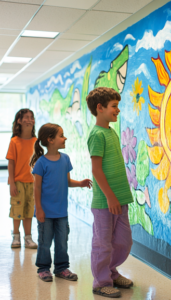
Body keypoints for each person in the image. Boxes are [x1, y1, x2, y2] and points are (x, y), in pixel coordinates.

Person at [86, 87, 134, 298]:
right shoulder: (96, 134)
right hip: (105, 201)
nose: (118, 110)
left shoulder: (111, 132)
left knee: (123, 241)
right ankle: (101, 281)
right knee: (103, 243)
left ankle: (111, 272)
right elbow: (96, 170)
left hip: (120, 199)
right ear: (100, 108)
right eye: (114, 106)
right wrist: (110, 196)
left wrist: (118, 197)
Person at [30, 123, 92, 282]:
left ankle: (61, 268)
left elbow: (67, 181)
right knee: (45, 242)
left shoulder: (65, 159)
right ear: (50, 140)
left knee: (62, 241)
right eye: (61, 135)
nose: (65, 138)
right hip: (46, 212)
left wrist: (80, 183)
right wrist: (39, 210)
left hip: (62, 212)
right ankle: (43, 269)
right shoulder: (41, 163)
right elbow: (36, 188)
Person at [6, 108, 38, 249]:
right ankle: (16, 236)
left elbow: (38, 163)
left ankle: (28, 237)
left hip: (32, 182)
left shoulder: (36, 141)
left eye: (31, 117)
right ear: (19, 121)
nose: (29, 119)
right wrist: (12, 182)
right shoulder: (14, 141)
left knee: (29, 211)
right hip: (18, 182)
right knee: (17, 210)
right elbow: (11, 163)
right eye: (26, 117)